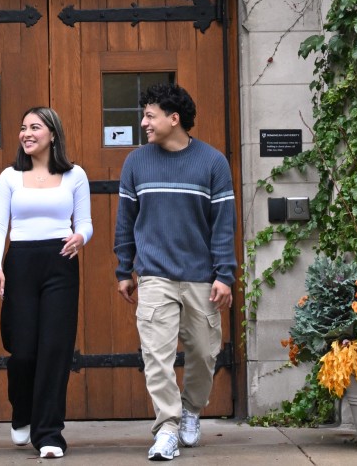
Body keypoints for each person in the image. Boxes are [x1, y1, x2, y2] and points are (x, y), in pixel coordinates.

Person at [114, 83, 235, 462]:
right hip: (154, 275)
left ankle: (192, 410)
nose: (144, 122)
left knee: (203, 351)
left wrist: (225, 274)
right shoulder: (136, 162)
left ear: (174, 118)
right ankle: (166, 427)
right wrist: (124, 268)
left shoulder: (213, 163)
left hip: (201, 276)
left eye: (150, 115)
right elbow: (125, 222)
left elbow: (224, 225)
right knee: (156, 355)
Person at [0, 107, 93, 460]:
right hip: (20, 263)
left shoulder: (75, 175)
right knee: (24, 352)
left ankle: (49, 433)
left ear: (52, 134)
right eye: (23, 127)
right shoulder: (10, 177)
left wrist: (80, 237)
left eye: (34, 127)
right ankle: (22, 413)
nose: (26, 133)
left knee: (55, 351)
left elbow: (86, 222)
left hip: (60, 263)